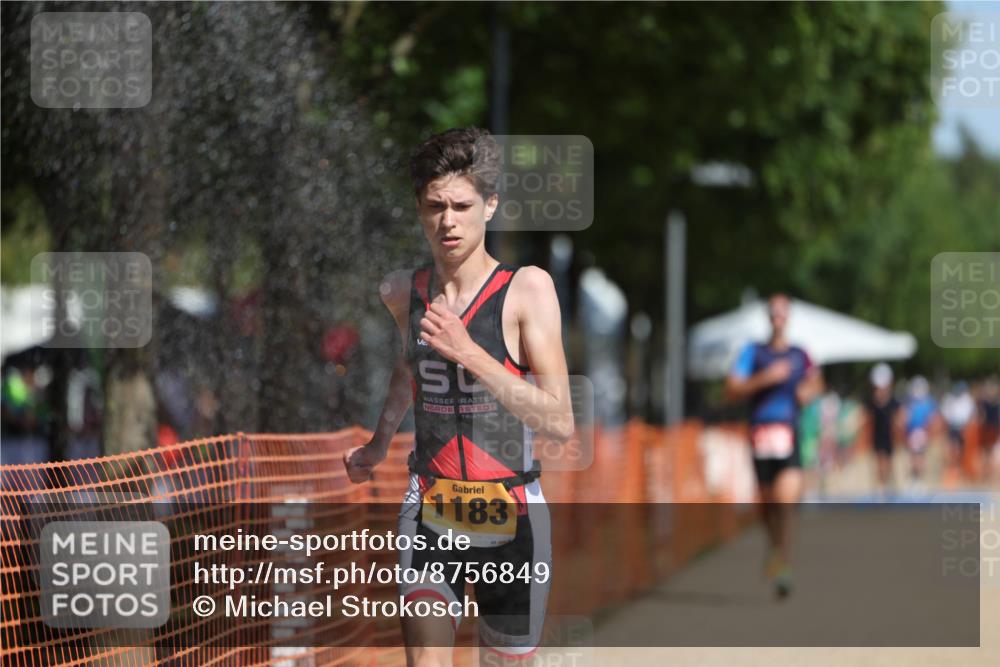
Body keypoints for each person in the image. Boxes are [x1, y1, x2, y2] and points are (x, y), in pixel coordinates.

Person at [342, 127, 574, 666]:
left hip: (512, 510)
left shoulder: (527, 291)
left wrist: (468, 352)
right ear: (419, 209)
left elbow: (559, 420)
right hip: (431, 505)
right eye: (434, 206)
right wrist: (380, 442)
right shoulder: (403, 292)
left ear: (490, 205)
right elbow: (409, 366)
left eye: (463, 206)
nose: (448, 221)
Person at [725, 294, 824, 599]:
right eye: (774, 312)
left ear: (789, 317)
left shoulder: (800, 354)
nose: (778, 317)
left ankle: (784, 563)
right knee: (767, 504)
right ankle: (774, 549)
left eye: (783, 312)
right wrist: (765, 378)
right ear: (769, 317)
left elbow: (817, 381)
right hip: (760, 435)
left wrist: (807, 392)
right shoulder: (753, 352)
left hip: (788, 436)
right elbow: (732, 388)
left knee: (785, 502)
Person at [865, 363, 900, 496]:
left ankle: (887, 485)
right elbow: (867, 416)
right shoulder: (872, 401)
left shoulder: (892, 401)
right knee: (880, 461)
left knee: (888, 462)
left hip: (889, 435)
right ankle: (881, 487)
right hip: (877, 434)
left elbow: (898, 417)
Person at [903, 376, 936, 485]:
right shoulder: (910, 403)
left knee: (919, 456)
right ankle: (916, 479)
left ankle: (918, 479)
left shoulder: (927, 403)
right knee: (915, 457)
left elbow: (931, 420)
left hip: (921, 433)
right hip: (914, 433)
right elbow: (906, 419)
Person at [941, 381, 975, 478]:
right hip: (953, 427)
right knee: (953, 449)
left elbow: (970, 415)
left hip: (963, 428)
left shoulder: (968, 400)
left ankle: (961, 470)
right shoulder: (950, 399)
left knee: (962, 451)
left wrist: (966, 428)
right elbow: (946, 414)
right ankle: (952, 470)